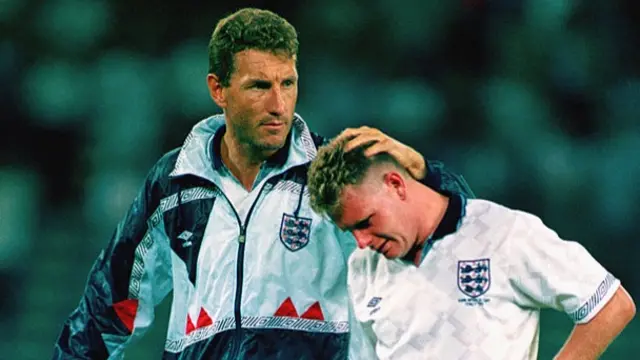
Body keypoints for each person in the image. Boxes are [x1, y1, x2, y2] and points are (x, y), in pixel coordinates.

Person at [52, 8, 475, 360]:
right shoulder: (174, 185)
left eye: (287, 83)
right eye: (259, 86)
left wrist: (423, 174)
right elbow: (107, 312)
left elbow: (456, 238)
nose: (278, 104)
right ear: (218, 89)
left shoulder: (334, 177)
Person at [306, 137, 636, 360]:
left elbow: (611, 305)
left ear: (395, 184)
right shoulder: (363, 267)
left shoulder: (503, 232)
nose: (361, 241)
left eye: (366, 222)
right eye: (350, 231)